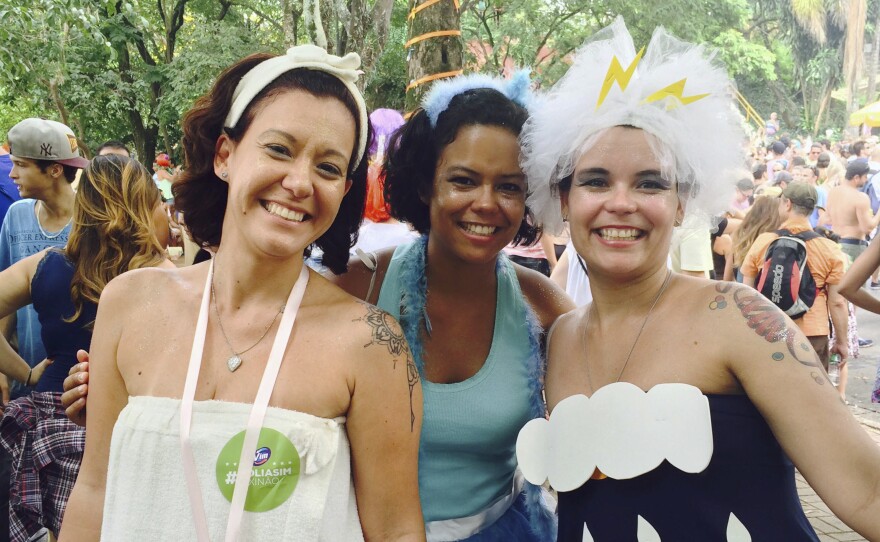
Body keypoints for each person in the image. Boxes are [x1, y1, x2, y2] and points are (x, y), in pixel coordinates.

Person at [518, 18, 880, 540]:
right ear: (563, 199)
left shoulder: (738, 318)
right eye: (596, 180)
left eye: (649, 182)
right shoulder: (558, 342)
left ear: (680, 201)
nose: (621, 203)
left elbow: (866, 489)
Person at [59, 45, 424, 541]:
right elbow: (96, 491)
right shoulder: (129, 304)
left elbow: (396, 529)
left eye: (329, 167)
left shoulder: (372, 345)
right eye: (279, 149)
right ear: (226, 155)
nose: (299, 182)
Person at [333, 72, 572, 540]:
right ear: (425, 185)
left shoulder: (542, 305)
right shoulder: (357, 287)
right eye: (463, 180)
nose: (486, 204)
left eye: (509, 187)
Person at [0, 155, 172, 541]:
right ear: (144, 206)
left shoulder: (45, 266)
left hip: (46, 435)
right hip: (127, 440)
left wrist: (21, 372)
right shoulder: (170, 282)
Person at [742, 183, 849, 379]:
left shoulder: (763, 241)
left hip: (770, 328)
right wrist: (842, 341)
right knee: (811, 393)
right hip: (812, 332)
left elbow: (747, 292)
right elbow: (837, 301)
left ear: (787, 204)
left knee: (771, 391)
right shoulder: (829, 248)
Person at [731, 196, 784, 282]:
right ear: (775, 218)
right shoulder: (773, 244)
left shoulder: (741, 239)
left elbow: (730, 277)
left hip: (742, 291)